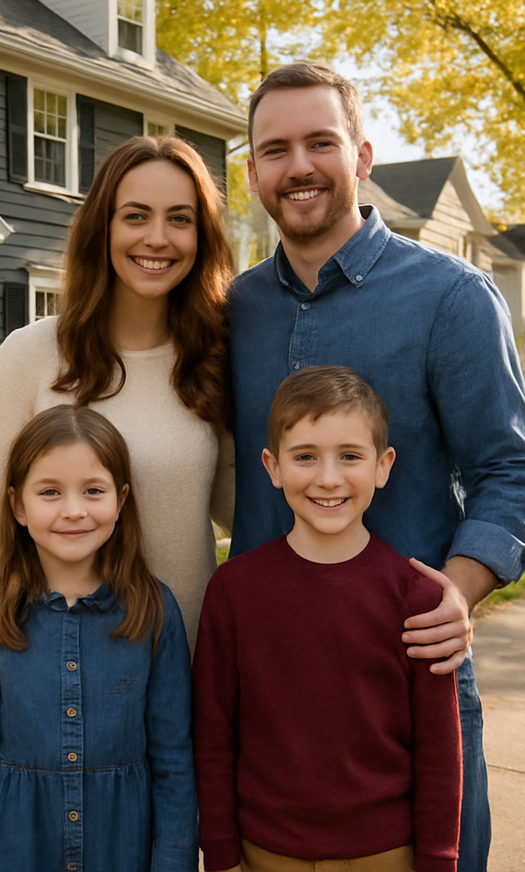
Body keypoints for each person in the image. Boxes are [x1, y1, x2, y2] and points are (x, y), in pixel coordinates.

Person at [229, 63, 525, 871]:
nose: (297, 166)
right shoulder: (234, 312)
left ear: (362, 156)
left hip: (408, 687)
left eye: (320, 143)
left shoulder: (453, 298)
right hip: (266, 698)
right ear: (253, 173)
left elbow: (510, 470)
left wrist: (458, 589)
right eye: (275, 149)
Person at [0, 135, 235, 715]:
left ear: (202, 237)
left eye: (180, 218)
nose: (157, 238)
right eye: (135, 216)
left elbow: (248, 515)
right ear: (102, 227)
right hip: (51, 682)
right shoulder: (32, 354)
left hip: (186, 679)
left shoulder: (214, 361)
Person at [195, 366, 461, 872]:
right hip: (265, 851)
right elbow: (213, 735)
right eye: (305, 457)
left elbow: (439, 752)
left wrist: (437, 861)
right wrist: (222, 854)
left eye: (350, 457)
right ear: (272, 467)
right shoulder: (234, 590)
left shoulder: (417, 598)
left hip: (386, 853)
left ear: (383, 467)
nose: (328, 477)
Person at [0, 404, 198, 872]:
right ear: (18, 505)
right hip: (19, 852)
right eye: (50, 492)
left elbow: (174, 767)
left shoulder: (155, 613)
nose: (74, 510)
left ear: (120, 500)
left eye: (93, 491)